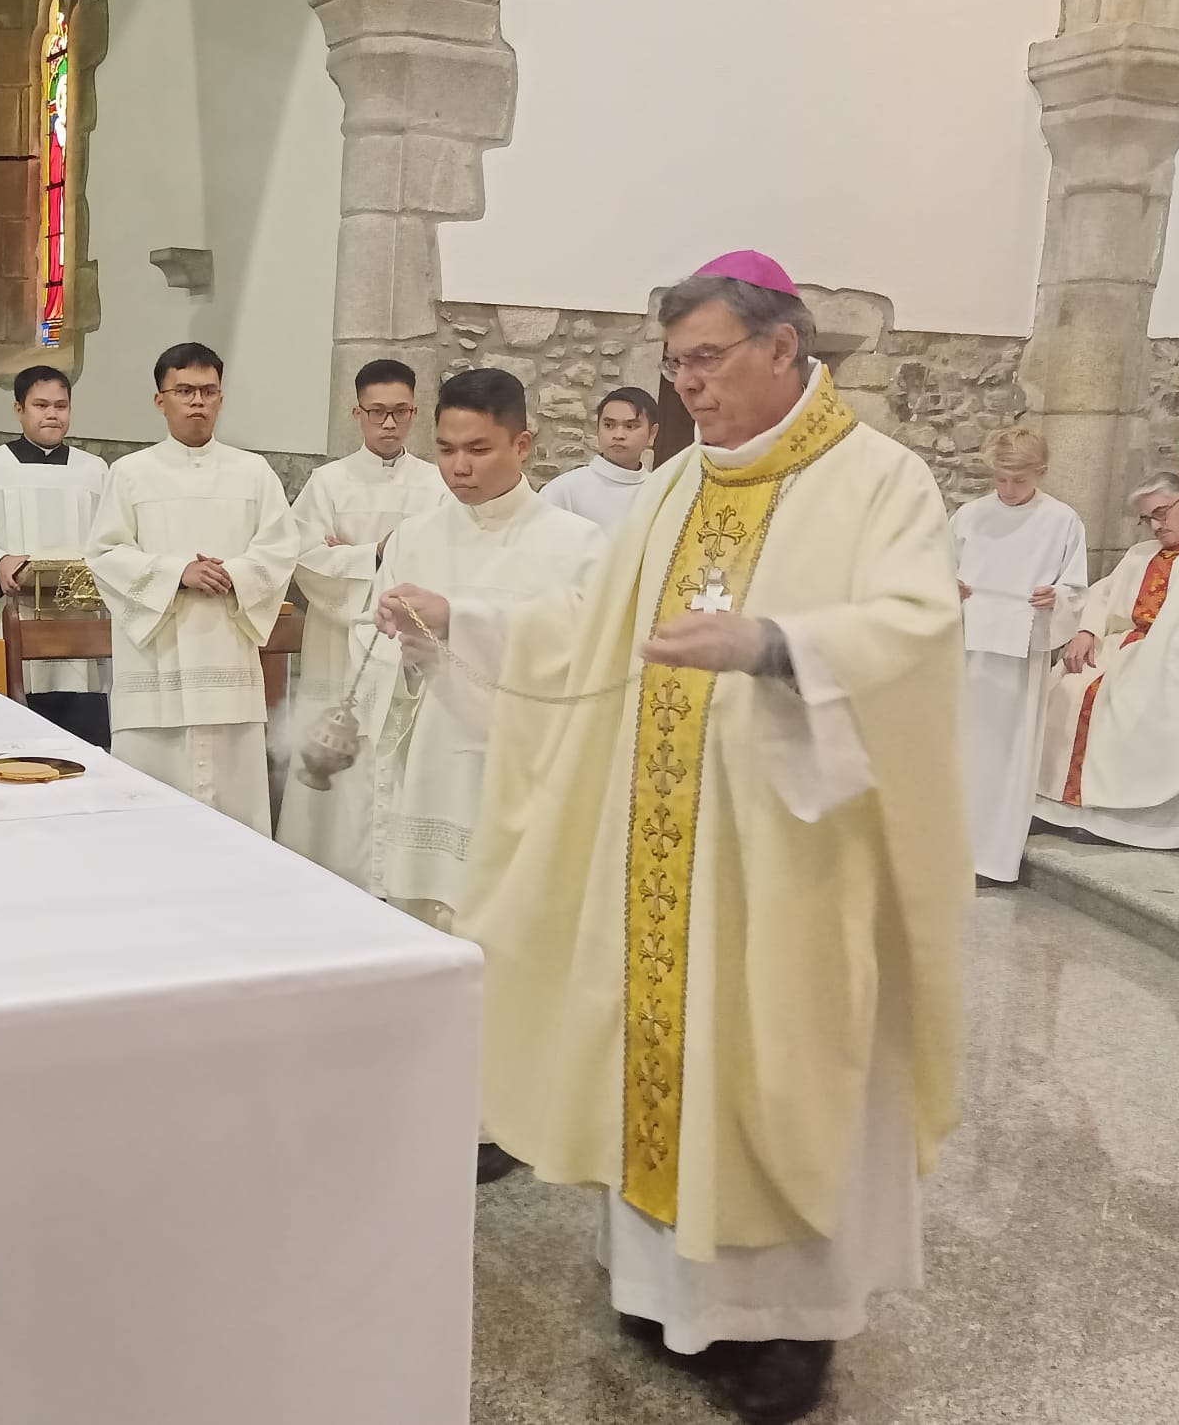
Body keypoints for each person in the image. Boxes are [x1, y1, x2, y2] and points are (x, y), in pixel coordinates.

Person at [382, 251, 966, 1425]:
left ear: (781, 347)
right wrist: (466, 618)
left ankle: (789, 1327)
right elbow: (587, 627)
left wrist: (775, 647)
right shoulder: (674, 485)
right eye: (673, 363)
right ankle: (665, 1295)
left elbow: (915, 628)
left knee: (780, 1063)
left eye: (704, 360)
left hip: (791, 853)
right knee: (658, 1049)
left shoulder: (876, 479)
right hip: (657, 845)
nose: (684, 386)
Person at [362, 366, 603, 1185]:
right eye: (447, 449)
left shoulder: (574, 543)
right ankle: (424, 1094)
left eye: (478, 449)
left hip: (518, 771)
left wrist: (462, 616)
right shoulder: (416, 534)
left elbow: (583, 645)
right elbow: (381, 643)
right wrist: (396, 632)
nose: (459, 467)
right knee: (428, 927)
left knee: (502, 938)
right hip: (433, 757)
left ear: (523, 443)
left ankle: (498, 1113)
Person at [86, 343, 298, 832]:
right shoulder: (130, 473)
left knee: (234, 810)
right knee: (148, 816)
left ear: (221, 397)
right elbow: (105, 553)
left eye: (208, 390)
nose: (197, 401)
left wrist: (233, 575)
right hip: (156, 663)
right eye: (184, 391)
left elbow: (281, 548)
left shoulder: (254, 472)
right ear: (160, 400)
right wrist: (178, 572)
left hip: (228, 656)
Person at [275, 359, 448, 885]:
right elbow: (304, 558)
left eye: (400, 411)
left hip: (408, 652)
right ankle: (324, 872)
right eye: (377, 412)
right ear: (357, 413)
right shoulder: (328, 483)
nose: (389, 423)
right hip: (339, 647)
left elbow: (448, 560)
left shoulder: (437, 484)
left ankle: (395, 879)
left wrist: (352, 554)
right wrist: (374, 554)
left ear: (415, 411)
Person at [0, 365, 112, 747]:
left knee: (78, 747)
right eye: (41, 405)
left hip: (78, 627)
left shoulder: (94, 471)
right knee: (9, 744)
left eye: (61, 406)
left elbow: (112, 539)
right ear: (19, 409)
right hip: (13, 616)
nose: (52, 414)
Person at [1033, 471, 1179, 849]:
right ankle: (1058, 809)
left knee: (1129, 699)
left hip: (1177, 654)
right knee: (1066, 687)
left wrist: (1161, 651)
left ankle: (1131, 824)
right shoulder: (1138, 554)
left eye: (1161, 513)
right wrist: (1086, 631)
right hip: (1123, 646)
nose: (1155, 526)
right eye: (1147, 518)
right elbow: (1102, 595)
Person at [950, 428, 1088, 884]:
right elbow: (939, 569)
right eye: (1001, 479)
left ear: (1041, 472)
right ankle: (946, 852)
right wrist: (950, 587)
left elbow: (1076, 589)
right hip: (967, 650)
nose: (1008, 490)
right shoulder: (970, 517)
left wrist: (1057, 597)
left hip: (1019, 653)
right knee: (959, 749)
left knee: (1007, 753)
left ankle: (991, 858)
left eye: (1019, 481)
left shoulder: (1062, 520)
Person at [536, 385, 661, 534]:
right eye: (609, 425)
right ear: (598, 428)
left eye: (630, 426)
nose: (618, 435)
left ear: (652, 434)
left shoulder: (660, 492)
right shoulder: (563, 491)